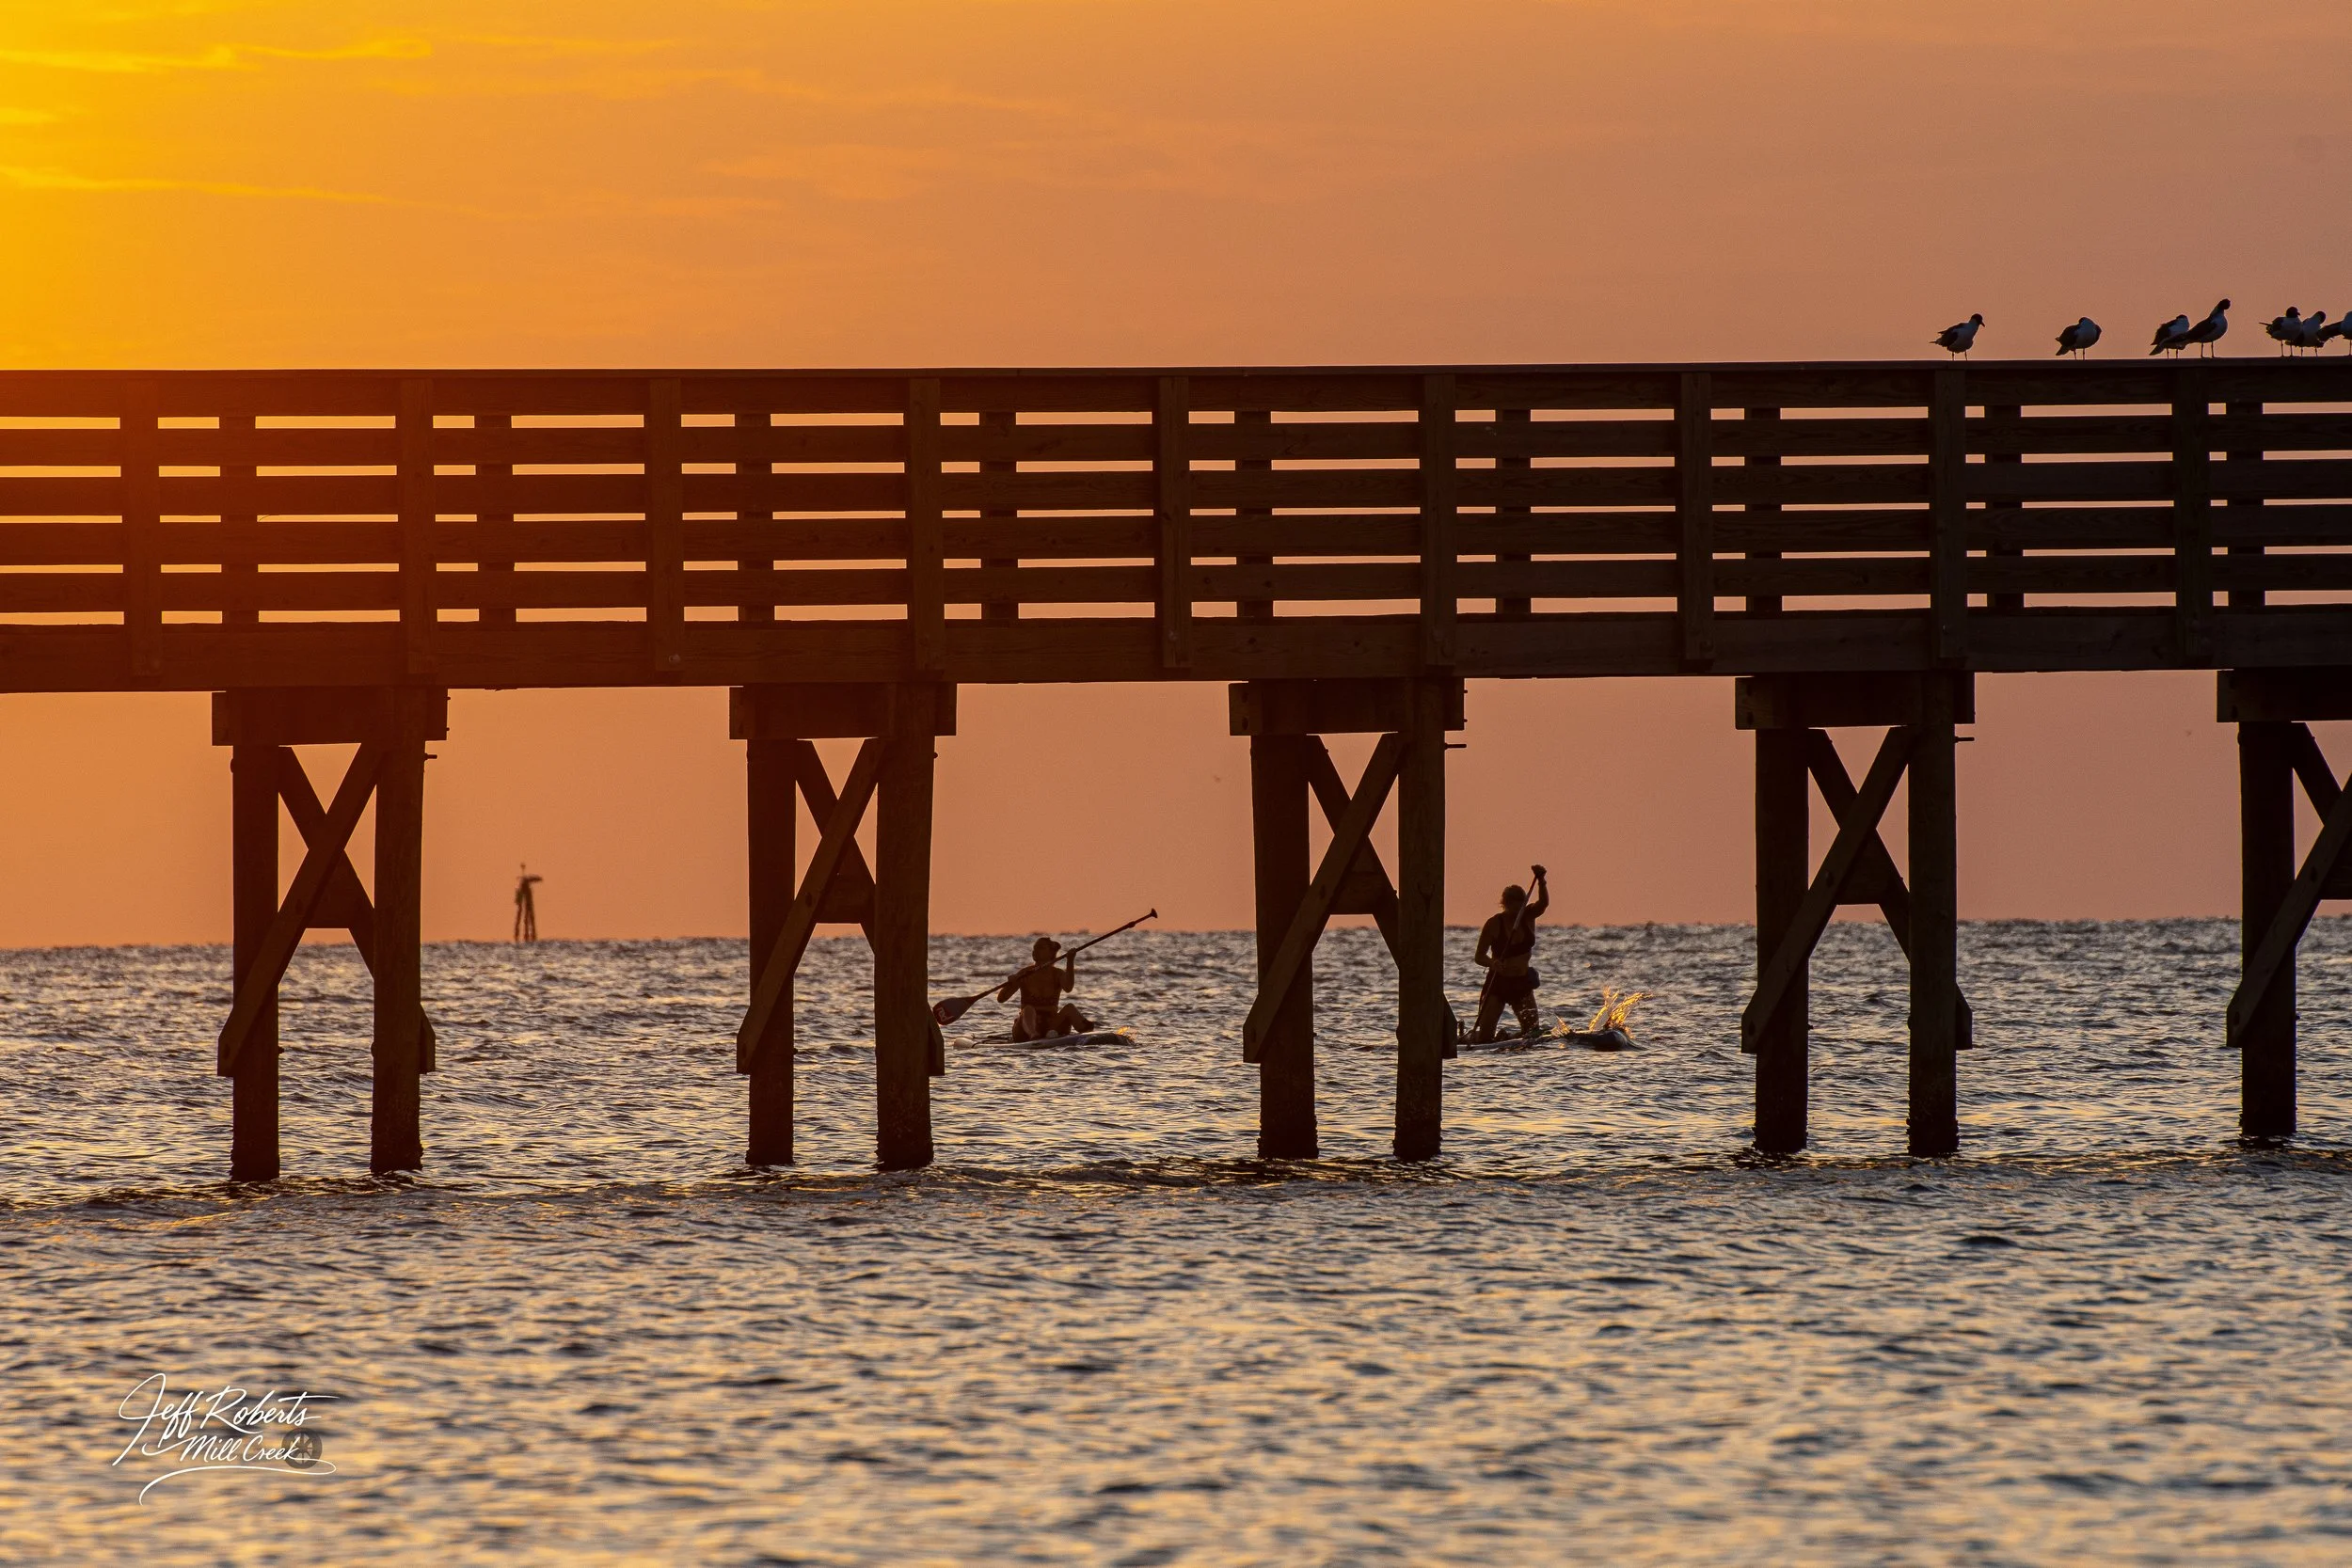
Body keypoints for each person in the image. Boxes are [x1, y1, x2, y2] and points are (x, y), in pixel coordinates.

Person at [1470, 864, 1549, 1042]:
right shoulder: (1493, 924)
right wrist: (1492, 963)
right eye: (1514, 908)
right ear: (1505, 905)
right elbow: (1479, 956)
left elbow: (1543, 903)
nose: (1518, 912)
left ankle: (1507, 1037)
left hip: (1521, 983)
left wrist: (1541, 880)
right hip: (1498, 983)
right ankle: (1483, 1038)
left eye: (1521, 906)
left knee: (1532, 1033)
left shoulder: (1528, 915)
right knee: (1485, 1037)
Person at [998, 937, 1094, 1041]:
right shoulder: (1025, 974)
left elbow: (1068, 988)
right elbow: (1001, 999)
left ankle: (1088, 1033)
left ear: (1051, 953)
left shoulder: (1058, 974)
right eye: (1034, 948)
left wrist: (1070, 961)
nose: (1035, 951)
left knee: (1070, 1008)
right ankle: (1034, 1035)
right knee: (1028, 1009)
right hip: (1025, 1030)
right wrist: (1011, 983)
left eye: (1040, 948)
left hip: (1051, 1026)